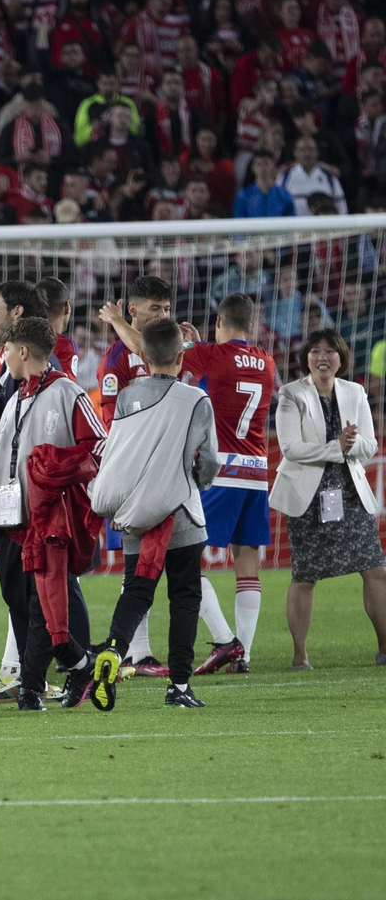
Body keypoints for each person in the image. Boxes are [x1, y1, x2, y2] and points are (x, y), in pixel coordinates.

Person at [104, 293, 273, 675]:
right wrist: (200, 346)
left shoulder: (210, 356)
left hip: (223, 470)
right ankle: (242, 655)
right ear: (250, 323)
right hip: (258, 472)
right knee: (247, 566)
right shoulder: (266, 360)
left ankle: (224, 639)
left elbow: (154, 352)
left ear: (219, 321)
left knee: (182, 561)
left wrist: (116, 321)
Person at [88, 318, 217, 711]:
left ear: (142, 356)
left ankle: (113, 650)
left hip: (136, 510)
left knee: (137, 590)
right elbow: (208, 461)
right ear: (182, 356)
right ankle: (179, 685)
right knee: (184, 597)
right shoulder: (195, 399)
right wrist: (197, 481)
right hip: (178, 510)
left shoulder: (126, 395)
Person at [0, 317, 107, 711]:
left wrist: (56, 468)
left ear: (21, 351)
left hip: (51, 518)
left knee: (41, 601)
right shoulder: (18, 396)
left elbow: (100, 449)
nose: (1, 355)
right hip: (13, 516)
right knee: (20, 598)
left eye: (6, 349)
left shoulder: (68, 392)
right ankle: (77, 663)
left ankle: (32, 686)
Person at [270, 329, 386, 671]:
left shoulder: (356, 391)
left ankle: (384, 648)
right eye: (316, 351)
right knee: (305, 576)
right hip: (308, 495)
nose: (323, 357)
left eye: (330, 351)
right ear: (306, 357)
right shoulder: (291, 394)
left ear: (342, 357)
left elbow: (370, 445)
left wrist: (351, 445)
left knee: (376, 570)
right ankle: (300, 656)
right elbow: (290, 448)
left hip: (349, 491)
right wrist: (337, 446)